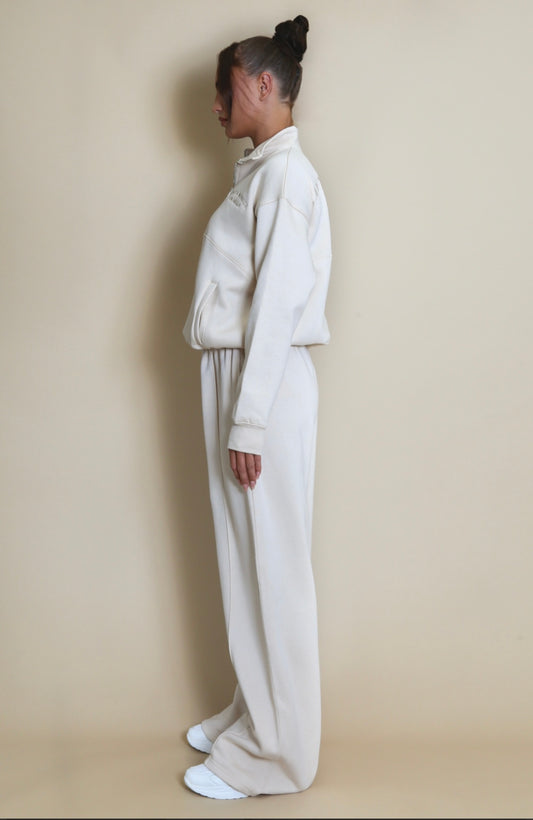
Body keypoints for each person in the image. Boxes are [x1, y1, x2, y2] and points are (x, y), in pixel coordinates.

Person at [181, 14, 332, 800]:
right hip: (242, 373)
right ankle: (256, 715)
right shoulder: (261, 173)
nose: (215, 103)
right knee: (248, 563)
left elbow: (276, 305)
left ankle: (278, 757)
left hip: (260, 382)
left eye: (225, 87)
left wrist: (247, 417)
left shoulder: (285, 180)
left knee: (272, 569)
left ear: (263, 83)